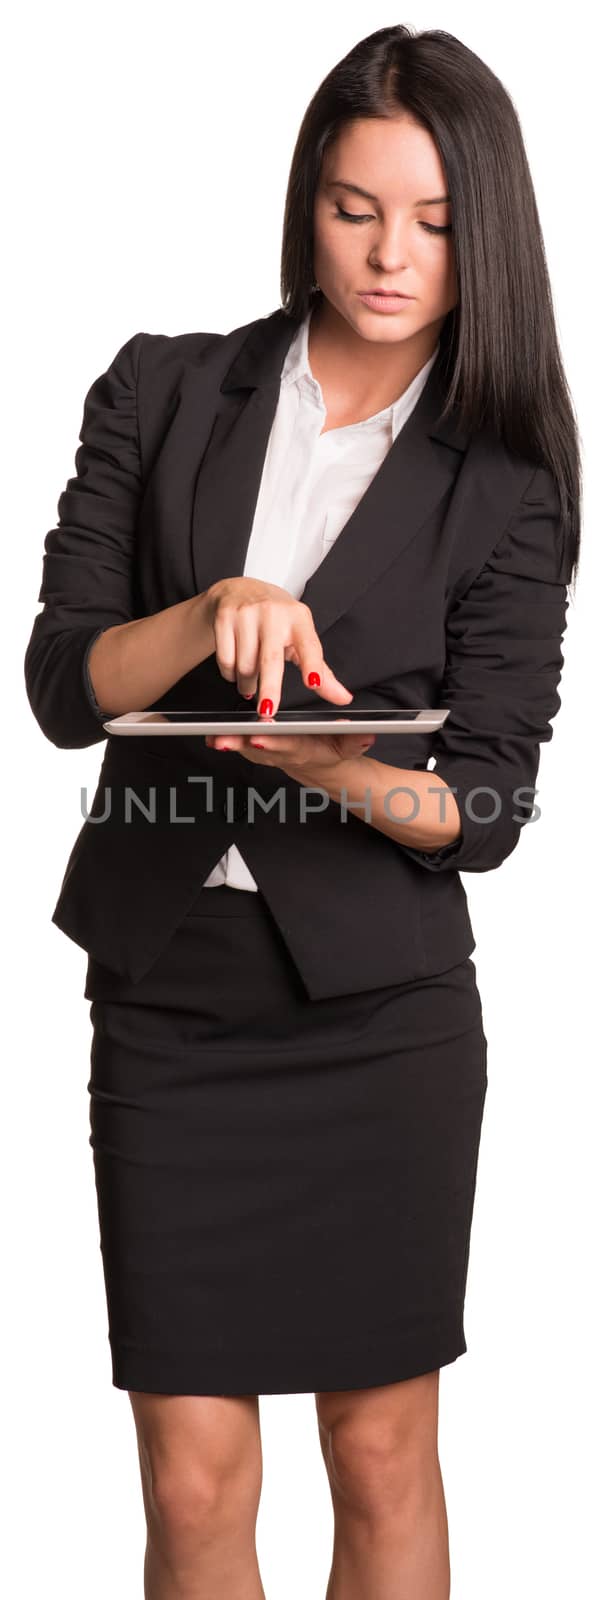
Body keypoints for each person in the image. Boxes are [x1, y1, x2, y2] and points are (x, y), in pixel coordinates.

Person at [24, 22, 580, 1600]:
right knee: (192, 1477)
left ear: (487, 226)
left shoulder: (509, 476)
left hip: (377, 1009)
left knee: (381, 1450)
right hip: (167, 995)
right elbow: (69, 683)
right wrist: (212, 610)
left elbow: (486, 799)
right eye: (353, 208)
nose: (389, 254)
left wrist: (345, 774)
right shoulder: (161, 390)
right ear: (305, 203)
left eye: (433, 219)